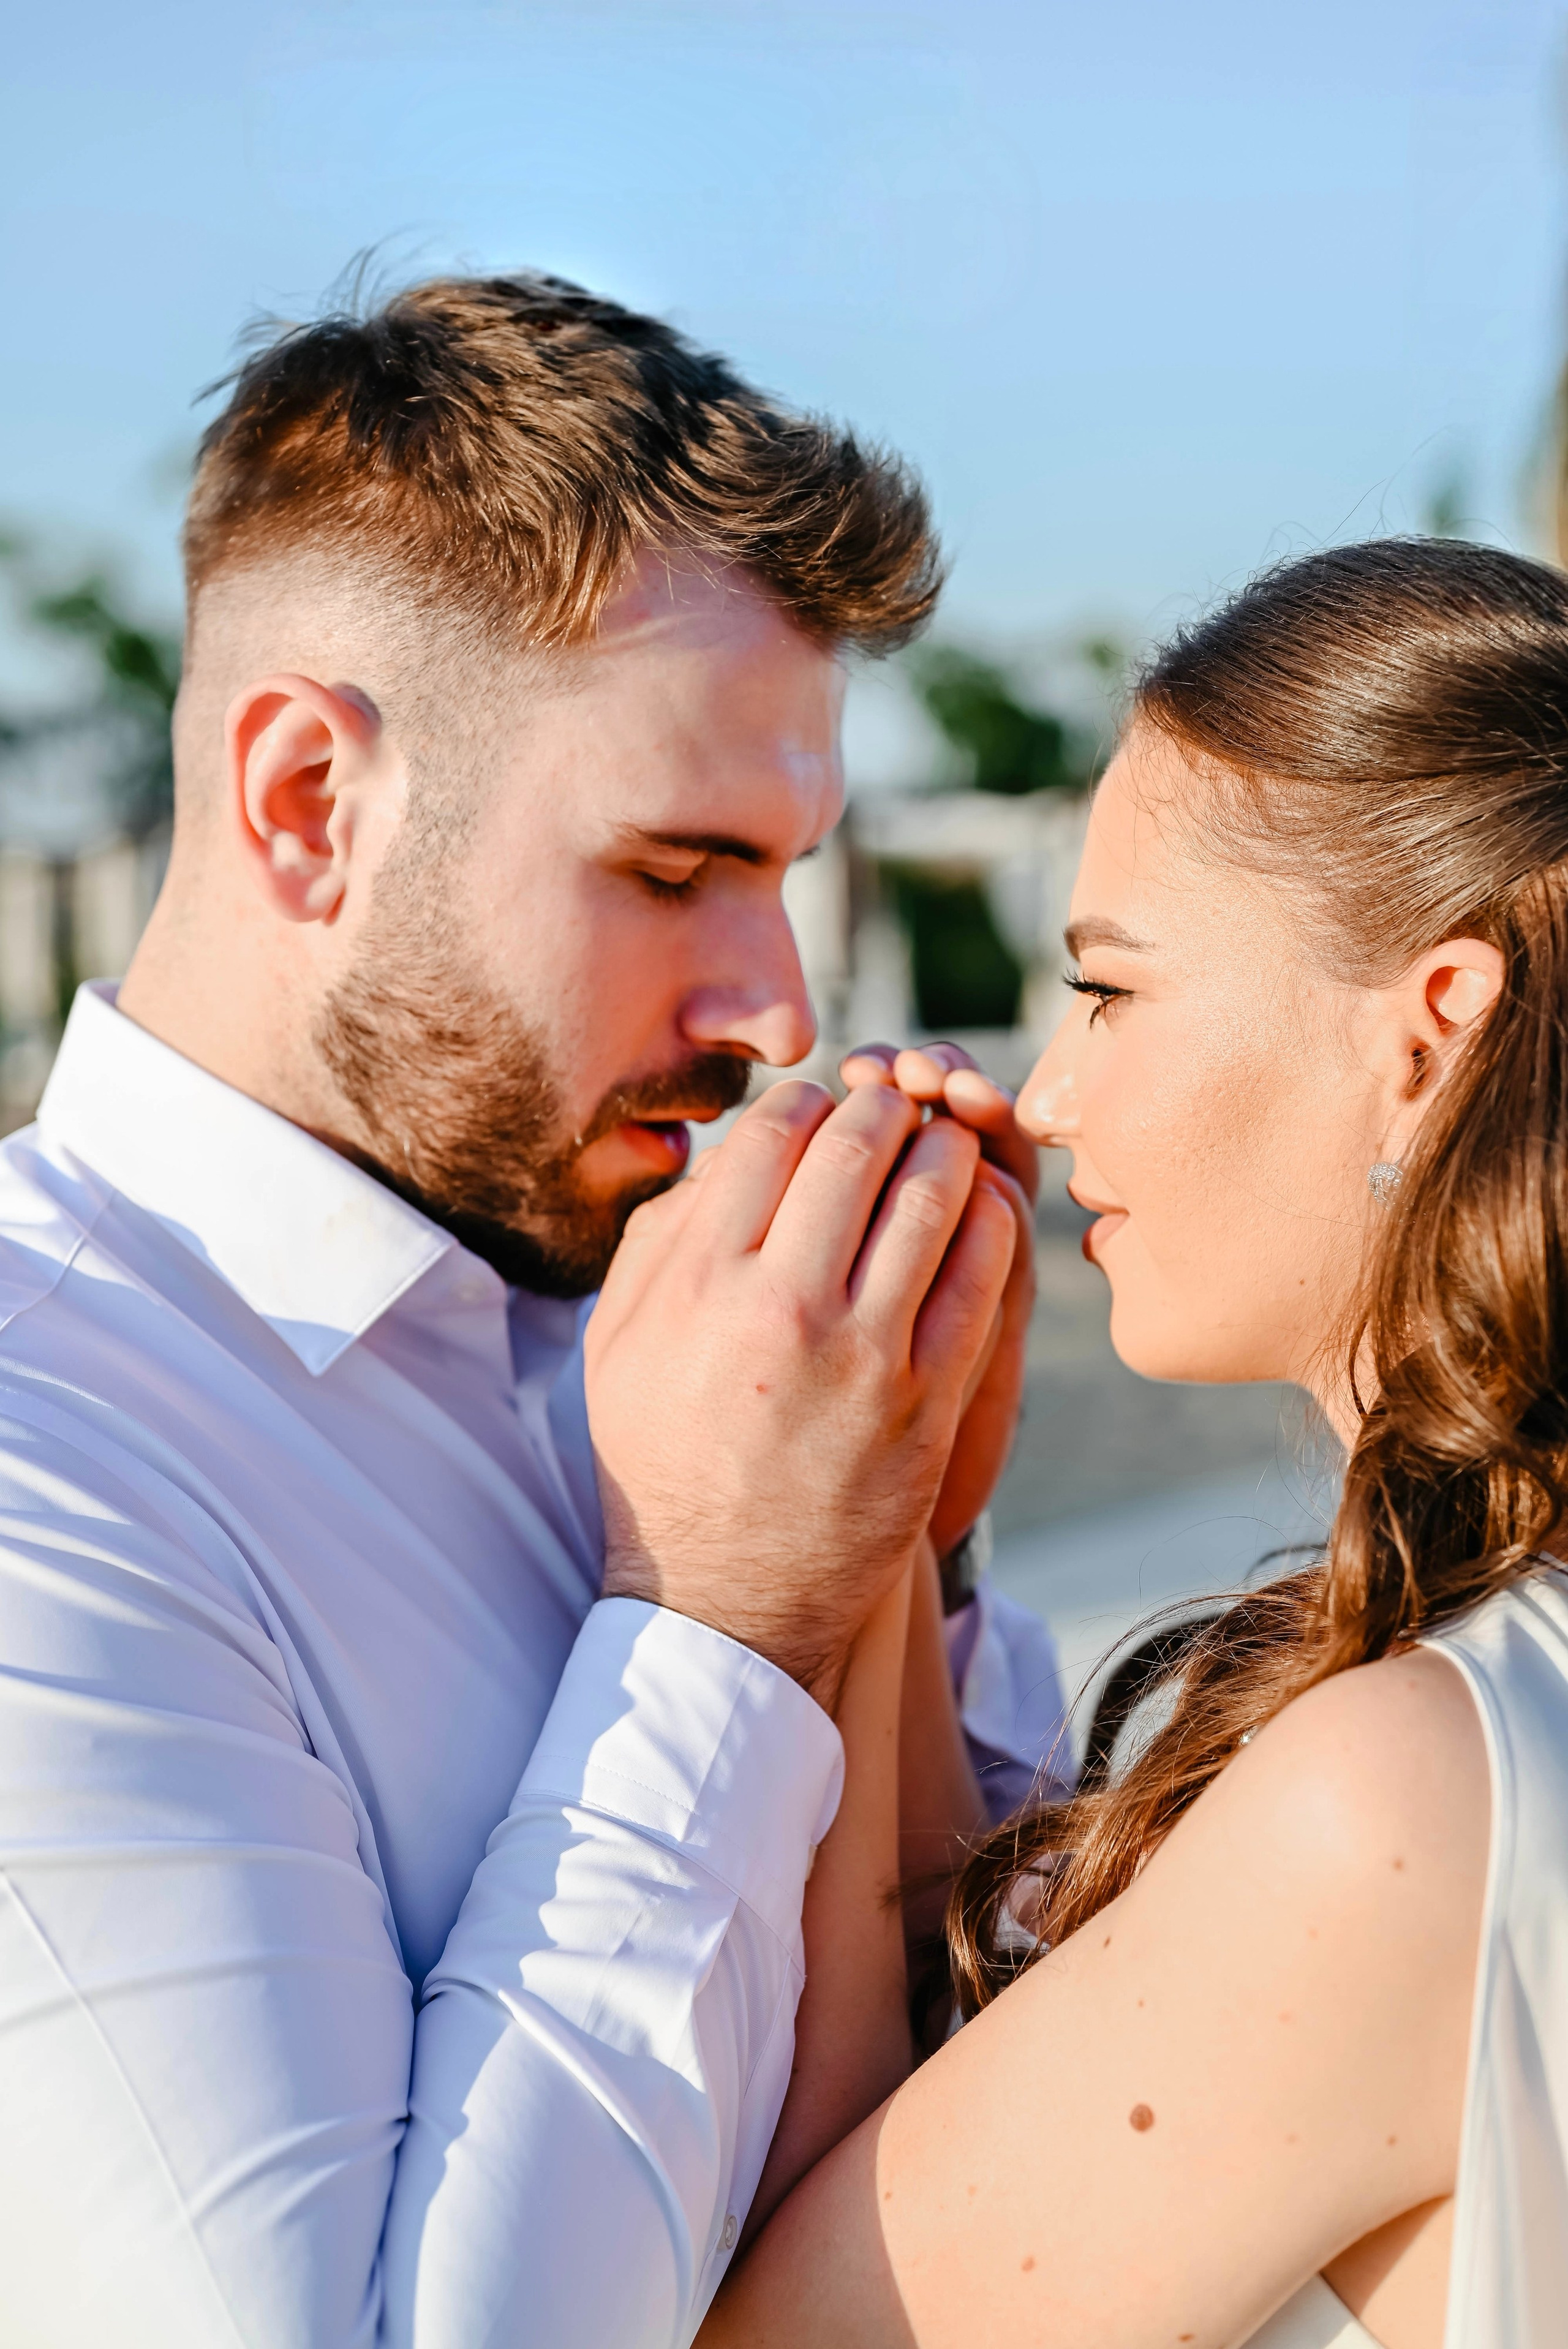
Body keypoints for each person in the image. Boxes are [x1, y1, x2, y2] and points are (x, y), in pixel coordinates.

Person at [0, 273, 1065, 2347]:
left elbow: (985, 2108)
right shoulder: (45, 1467)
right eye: (676, 873)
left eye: (788, 874)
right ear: (309, 800)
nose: (775, 1005)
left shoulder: (650, 1316)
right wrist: (721, 1616)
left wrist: (910, 1565)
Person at [704, 536, 1568, 2349]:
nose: (1049, 1089)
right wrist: (897, 1532)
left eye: (1109, 988)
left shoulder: (1401, 1795)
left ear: (1429, 1040)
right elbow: (1028, 2058)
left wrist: (782, 1556)